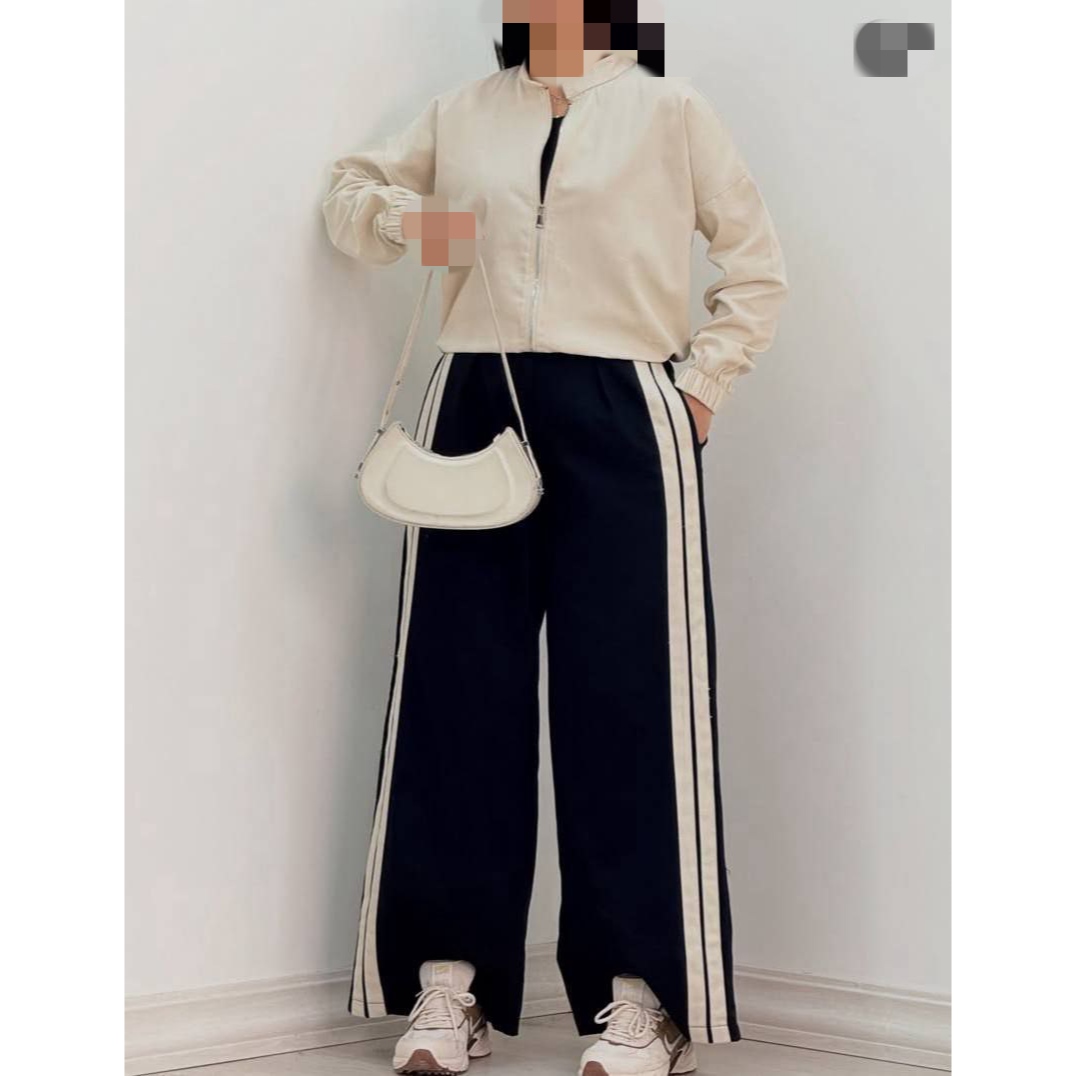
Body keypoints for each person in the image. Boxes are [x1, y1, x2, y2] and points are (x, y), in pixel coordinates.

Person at [322, 25, 787, 1076]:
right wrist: (408, 220)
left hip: (624, 404)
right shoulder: (463, 112)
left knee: (628, 699)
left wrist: (701, 388)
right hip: (473, 398)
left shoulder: (669, 111)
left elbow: (756, 266)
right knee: (455, 690)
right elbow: (349, 198)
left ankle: (641, 997)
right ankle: (451, 981)